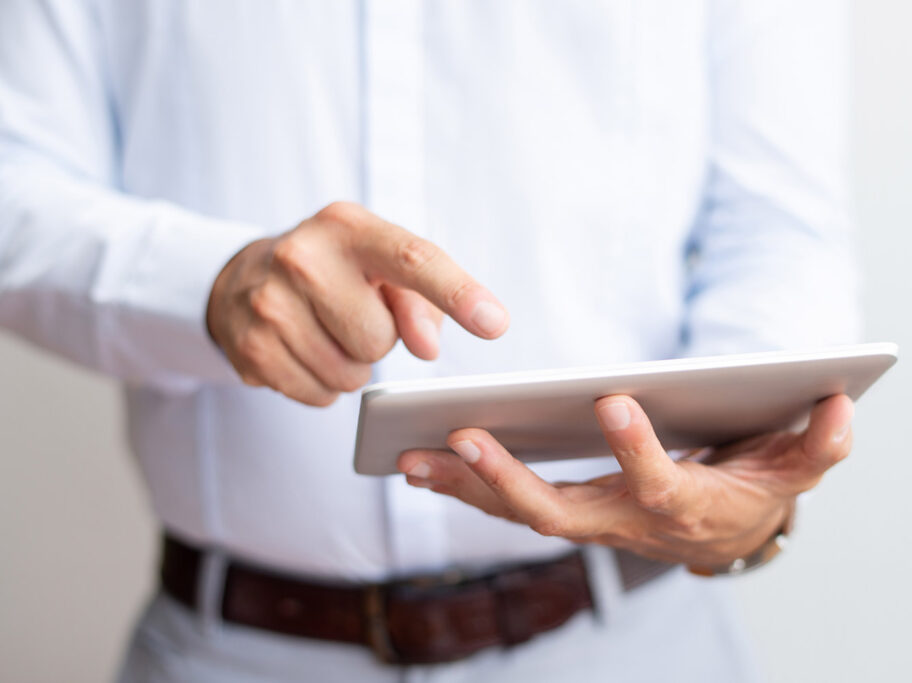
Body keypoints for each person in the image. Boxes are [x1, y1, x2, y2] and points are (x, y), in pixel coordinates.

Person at [0, 1, 859, 681]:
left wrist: (744, 481)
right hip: (233, 655)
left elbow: (776, 224)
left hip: (637, 647)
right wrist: (211, 283)